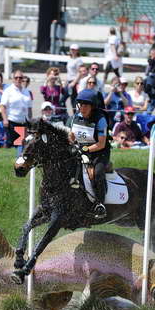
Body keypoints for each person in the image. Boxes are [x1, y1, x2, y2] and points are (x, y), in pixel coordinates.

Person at [68, 89, 110, 219]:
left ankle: (100, 204)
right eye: (80, 104)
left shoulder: (100, 120)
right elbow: (72, 136)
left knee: (96, 174)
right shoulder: (75, 117)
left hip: (99, 152)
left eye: (86, 105)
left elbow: (101, 144)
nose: (82, 107)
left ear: (92, 106)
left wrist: (85, 149)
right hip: (80, 150)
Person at [0, 70, 32, 148]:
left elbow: (29, 108)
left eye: (20, 77)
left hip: (23, 122)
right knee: (10, 144)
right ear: (13, 79)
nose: (18, 79)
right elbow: (2, 106)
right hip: (11, 122)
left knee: (21, 145)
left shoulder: (26, 91)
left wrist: (30, 120)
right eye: (16, 77)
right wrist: (5, 119)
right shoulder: (8, 90)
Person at [66, 43, 83, 110]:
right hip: (69, 81)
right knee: (65, 99)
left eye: (74, 50)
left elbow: (80, 72)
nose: (73, 51)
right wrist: (66, 81)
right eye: (72, 49)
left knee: (73, 100)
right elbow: (69, 72)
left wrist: (74, 82)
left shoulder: (78, 60)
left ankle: (75, 116)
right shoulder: (70, 59)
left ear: (77, 51)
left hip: (74, 82)